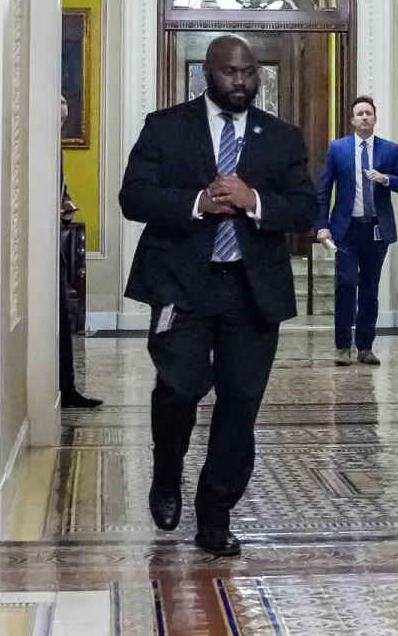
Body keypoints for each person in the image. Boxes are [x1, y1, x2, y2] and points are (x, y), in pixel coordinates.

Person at [117, 35, 316, 558]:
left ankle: (215, 513)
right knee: (180, 388)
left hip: (251, 290)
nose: (241, 82)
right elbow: (132, 197)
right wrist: (197, 203)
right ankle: (166, 473)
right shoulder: (166, 127)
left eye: (249, 73)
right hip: (180, 284)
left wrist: (254, 202)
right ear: (207, 72)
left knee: (240, 404)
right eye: (230, 72)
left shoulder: (281, 137)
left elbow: (304, 206)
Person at [315, 96, 398, 367]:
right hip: (345, 230)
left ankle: (365, 347)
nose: (363, 118)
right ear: (352, 120)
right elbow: (323, 190)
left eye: (368, 113)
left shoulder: (389, 150)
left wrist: (386, 179)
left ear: (375, 118)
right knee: (347, 285)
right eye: (359, 114)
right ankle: (342, 347)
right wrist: (322, 225)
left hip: (376, 230)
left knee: (370, 289)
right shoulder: (338, 149)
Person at [58, 96, 101, 410]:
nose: (61, 124)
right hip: (44, 244)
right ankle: (63, 387)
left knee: (63, 317)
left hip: (54, 243)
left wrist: (66, 205)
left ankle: (66, 386)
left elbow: (61, 193)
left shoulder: (54, 151)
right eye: (58, 119)